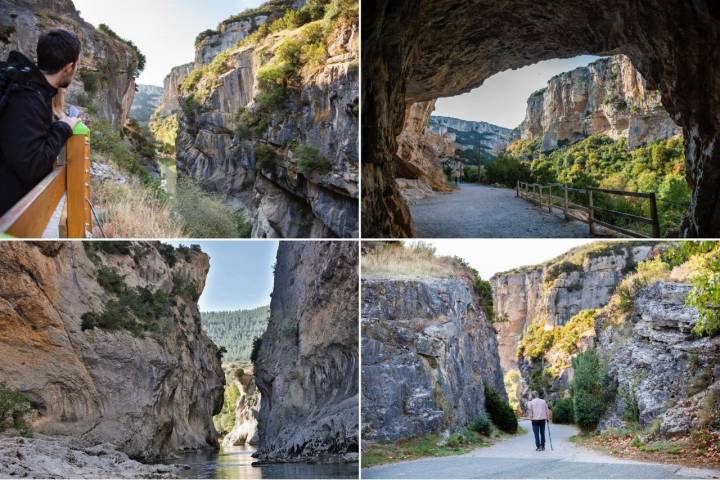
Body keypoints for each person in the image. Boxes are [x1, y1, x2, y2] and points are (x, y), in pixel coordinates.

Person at [0, 29, 81, 216]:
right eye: (76, 66)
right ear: (69, 68)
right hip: (9, 215)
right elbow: (32, 165)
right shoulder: (27, 98)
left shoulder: (33, 90)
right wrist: (64, 127)